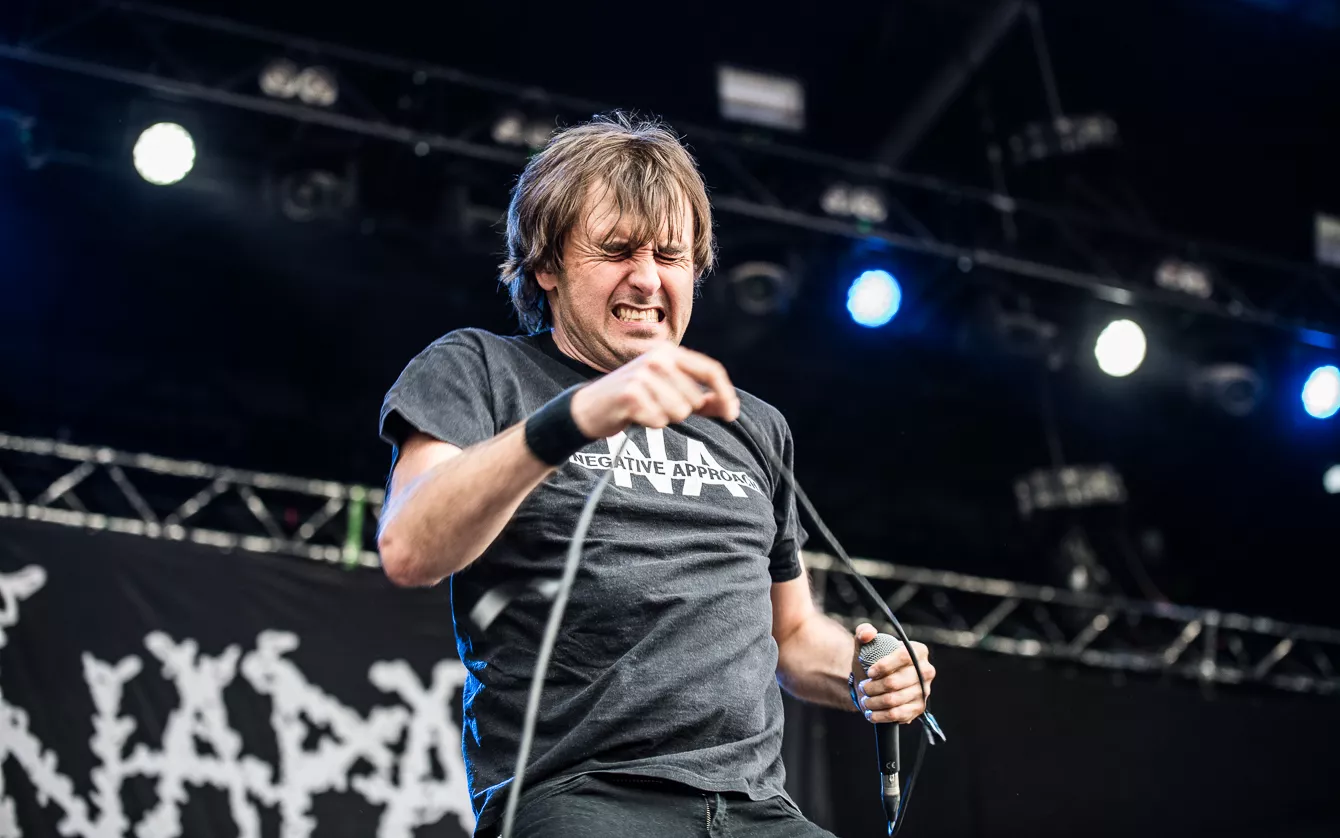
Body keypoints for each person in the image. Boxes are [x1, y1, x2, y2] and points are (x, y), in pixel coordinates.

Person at [376, 112, 936, 837]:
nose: (646, 278)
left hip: (756, 810)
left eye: (671, 256)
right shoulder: (480, 369)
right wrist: (575, 416)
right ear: (546, 264)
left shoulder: (750, 422)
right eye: (616, 251)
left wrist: (865, 675)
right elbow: (410, 545)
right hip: (582, 798)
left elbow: (793, 634)